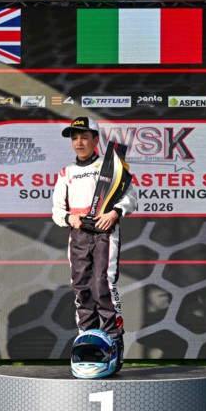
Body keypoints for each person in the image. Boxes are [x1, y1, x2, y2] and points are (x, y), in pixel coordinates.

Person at [52, 117, 138, 366]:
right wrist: (70, 218)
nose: (79, 142)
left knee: (103, 285)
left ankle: (114, 339)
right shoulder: (66, 172)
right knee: (81, 287)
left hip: (105, 232)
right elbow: (57, 210)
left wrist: (114, 213)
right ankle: (87, 341)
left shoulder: (111, 165)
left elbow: (131, 197)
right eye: (74, 138)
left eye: (84, 137)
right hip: (78, 234)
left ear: (96, 140)